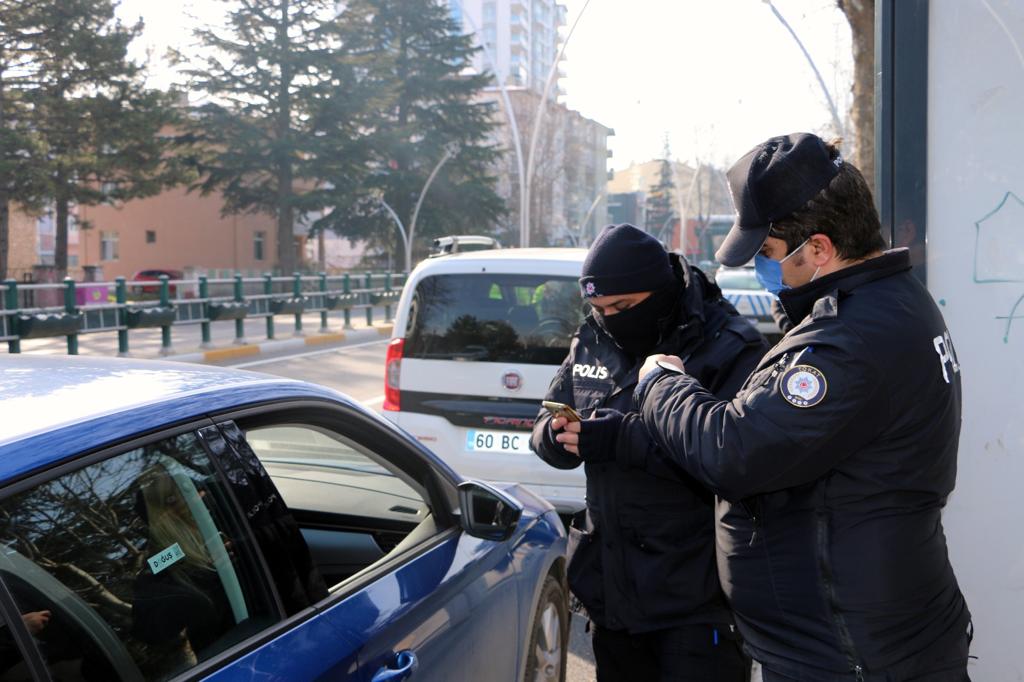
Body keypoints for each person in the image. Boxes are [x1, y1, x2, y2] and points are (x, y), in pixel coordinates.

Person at [556, 133, 971, 681]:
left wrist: (661, 383)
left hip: (853, 653)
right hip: (864, 636)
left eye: (770, 254)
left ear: (818, 249)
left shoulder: (848, 340)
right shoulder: (891, 304)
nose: (763, 268)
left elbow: (732, 450)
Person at [531, 223, 767, 682]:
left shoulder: (728, 345)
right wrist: (555, 437)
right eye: (599, 308)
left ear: (661, 292)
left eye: (623, 307)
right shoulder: (592, 338)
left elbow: (735, 455)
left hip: (696, 601)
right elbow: (546, 416)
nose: (610, 318)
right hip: (614, 598)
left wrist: (621, 440)